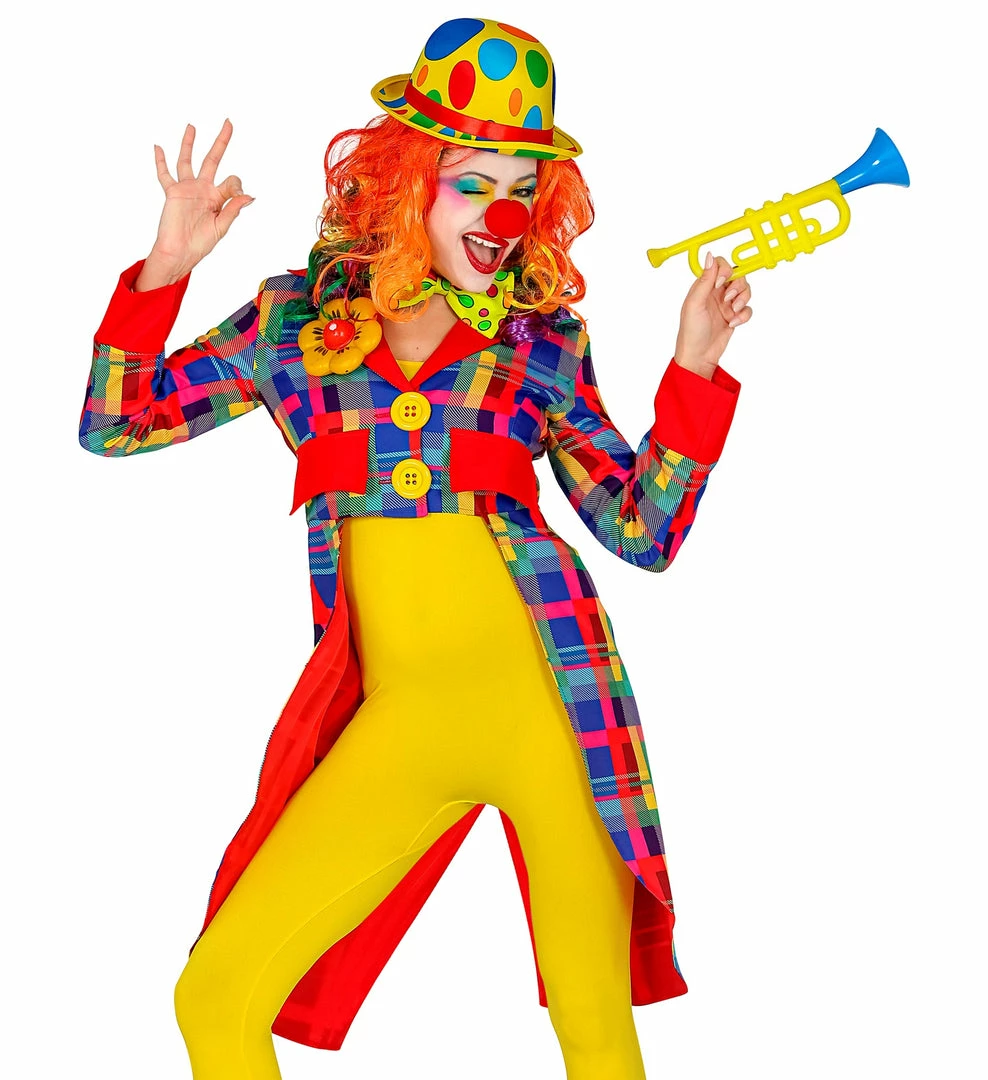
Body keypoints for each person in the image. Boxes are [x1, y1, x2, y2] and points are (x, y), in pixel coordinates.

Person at [79, 16, 750, 1080]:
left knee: (594, 1028)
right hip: (402, 723)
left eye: (522, 189)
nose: (502, 215)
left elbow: (643, 528)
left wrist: (695, 370)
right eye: (473, 182)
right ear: (403, 182)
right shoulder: (294, 325)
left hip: (559, 711)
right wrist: (166, 267)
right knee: (215, 998)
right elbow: (116, 423)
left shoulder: (543, 344)